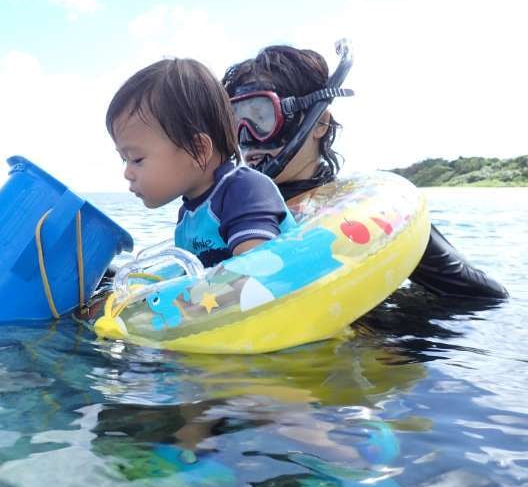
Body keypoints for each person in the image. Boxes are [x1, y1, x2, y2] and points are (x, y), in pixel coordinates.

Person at [222, 44, 508, 300]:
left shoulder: (364, 213)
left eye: (262, 118)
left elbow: (488, 297)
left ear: (320, 123)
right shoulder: (226, 210)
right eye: (236, 122)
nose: (247, 138)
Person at [105, 58, 296, 268]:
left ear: (198, 150)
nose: (127, 173)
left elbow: (259, 270)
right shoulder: (188, 215)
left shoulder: (245, 191)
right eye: (125, 159)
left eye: (136, 159)